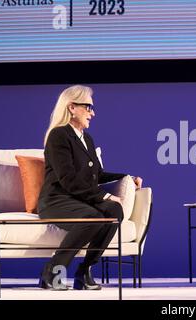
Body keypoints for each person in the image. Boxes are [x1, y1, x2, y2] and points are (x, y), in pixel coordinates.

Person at [37, 85, 143, 291]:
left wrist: (127, 177)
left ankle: (84, 271)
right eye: (88, 107)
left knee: (114, 211)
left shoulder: (87, 139)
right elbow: (68, 179)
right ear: (72, 107)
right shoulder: (58, 136)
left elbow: (98, 175)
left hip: (77, 200)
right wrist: (104, 196)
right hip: (56, 200)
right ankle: (52, 270)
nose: (92, 113)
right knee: (92, 216)